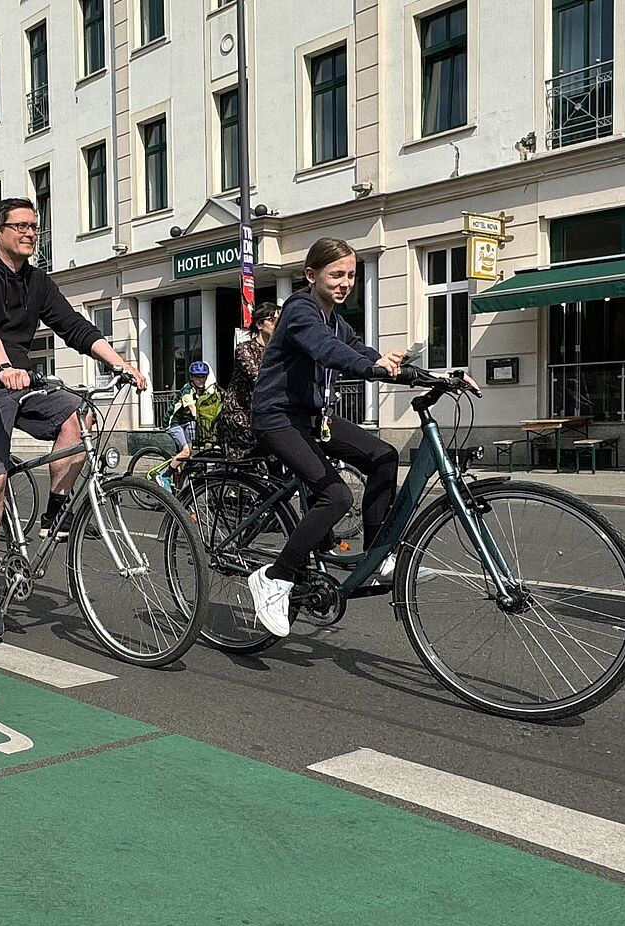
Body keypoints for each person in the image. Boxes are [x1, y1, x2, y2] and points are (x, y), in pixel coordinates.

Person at [0, 196, 146, 641]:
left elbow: (74, 326)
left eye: (35, 226)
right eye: (22, 226)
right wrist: (1, 368)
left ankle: (55, 513)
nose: (31, 233)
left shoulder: (36, 282)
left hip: (17, 382)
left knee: (76, 416)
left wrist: (119, 363)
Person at [247, 238, 465, 638]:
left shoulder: (335, 318)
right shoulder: (300, 310)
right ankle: (275, 577)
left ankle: (379, 555)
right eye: (336, 275)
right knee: (337, 496)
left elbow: (355, 348)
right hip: (277, 418)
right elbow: (327, 351)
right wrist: (372, 368)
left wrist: (430, 375)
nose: (346, 282)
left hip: (313, 418)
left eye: (351, 274)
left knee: (383, 455)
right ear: (311, 276)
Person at [217, 302, 279, 461]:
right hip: (240, 414)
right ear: (259, 324)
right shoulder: (244, 349)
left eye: (279, 320)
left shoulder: (277, 351)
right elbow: (258, 378)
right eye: (272, 320)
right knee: (272, 443)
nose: (277, 325)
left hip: (264, 412)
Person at [165, 361, 217, 456]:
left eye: (203, 377)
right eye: (197, 377)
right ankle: (168, 471)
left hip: (185, 422)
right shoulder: (187, 390)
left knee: (190, 451)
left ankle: (181, 470)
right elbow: (193, 409)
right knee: (186, 452)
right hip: (174, 423)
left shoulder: (202, 390)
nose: (201, 380)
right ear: (192, 377)